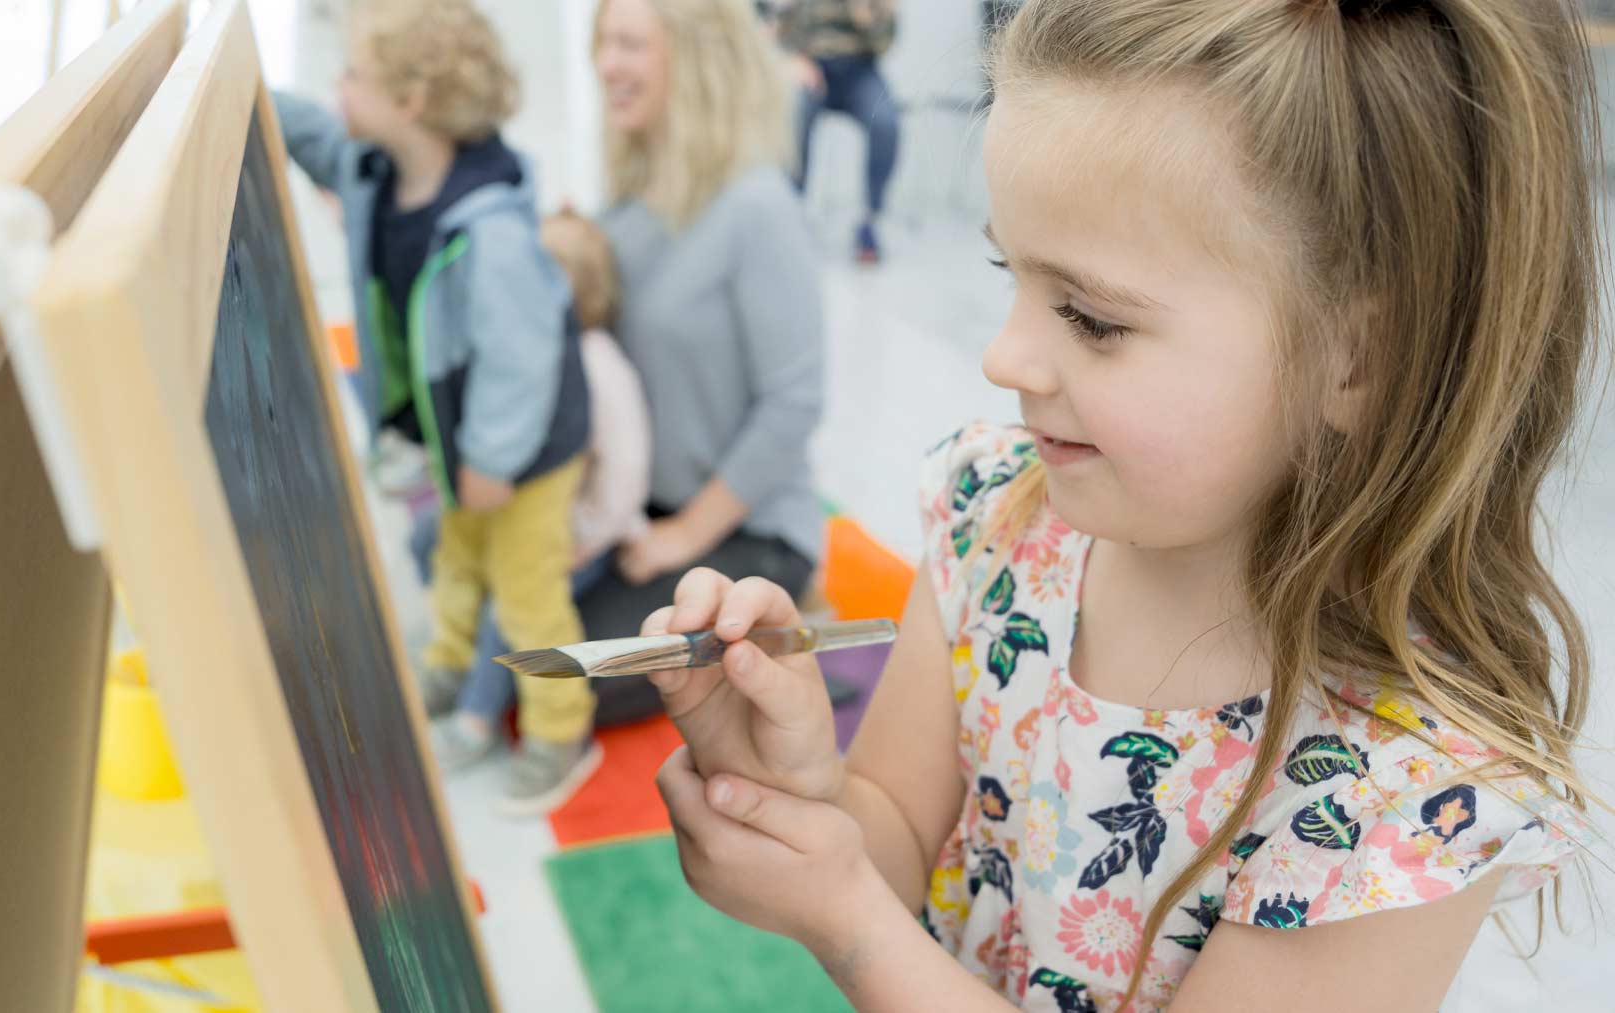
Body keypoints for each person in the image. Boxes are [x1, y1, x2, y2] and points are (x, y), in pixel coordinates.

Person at [641, 1, 1603, 1009]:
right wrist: (801, 799)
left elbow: (864, 913)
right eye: (1006, 271)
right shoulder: (995, 523)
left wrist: (846, 915)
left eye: (1091, 318)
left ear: (1357, 359)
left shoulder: (1401, 790)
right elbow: (886, 844)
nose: (1002, 355)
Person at [274, 0, 599, 815]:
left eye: (352, 73)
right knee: (457, 560)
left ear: (410, 102)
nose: (336, 85)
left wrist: (492, 459)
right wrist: (237, 83)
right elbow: (312, 132)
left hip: (522, 448)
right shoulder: (372, 167)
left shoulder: (492, 233)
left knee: (525, 590)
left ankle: (564, 728)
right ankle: (453, 667)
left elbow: (521, 364)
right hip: (460, 439)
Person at [583, 0, 825, 726]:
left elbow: (795, 403)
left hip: (744, 526)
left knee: (576, 675)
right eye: (603, 43)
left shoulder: (757, 206)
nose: (605, 65)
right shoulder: (627, 201)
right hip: (641, 508)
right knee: (506, 629)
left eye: (629, 44)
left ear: (691, 59)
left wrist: (685, 535)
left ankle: (791, 611)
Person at [422, 209, 653, 769]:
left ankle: (479, 718)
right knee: (443, 546)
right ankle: (451, 667)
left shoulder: (599, 365)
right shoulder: (531, 351)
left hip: (586, 530)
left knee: (515, 603)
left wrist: (583, 536)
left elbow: (625, 475)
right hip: (529, 515)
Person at [778, 0, 901, 263]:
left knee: (886, 123)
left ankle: (871, 220)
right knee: (794, 112)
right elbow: (779, 28)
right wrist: (794, 59)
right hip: (812, 67)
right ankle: (789, 215)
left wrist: (867, 15)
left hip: (860, 72)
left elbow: (885, 44)